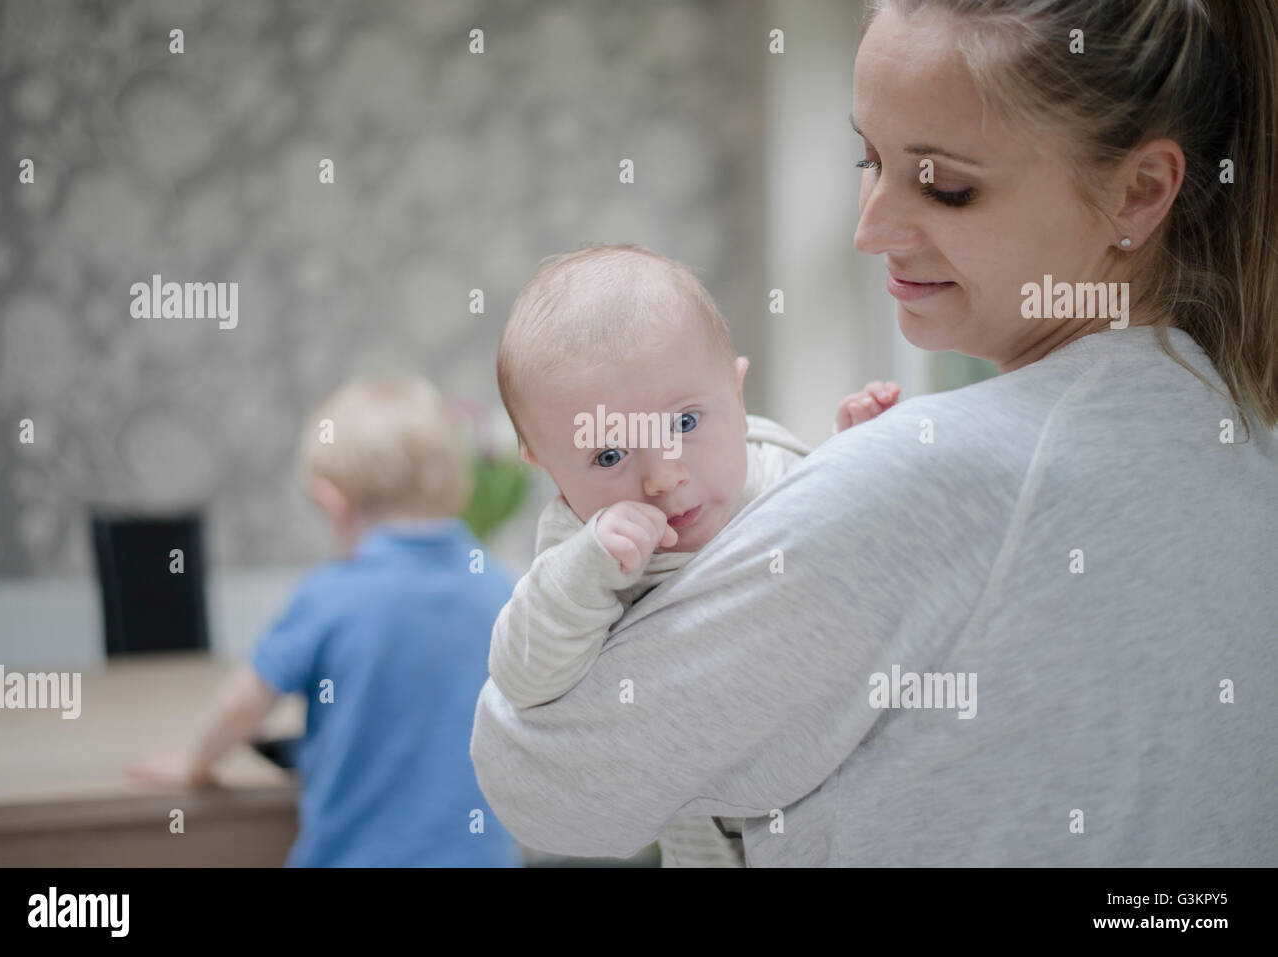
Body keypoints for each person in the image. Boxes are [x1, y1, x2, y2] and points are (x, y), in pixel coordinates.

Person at [470, 0, 1278, 866]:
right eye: (869, 158)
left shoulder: (947, 477)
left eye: (943, 184)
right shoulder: (1241, 436)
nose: (867, 230)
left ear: (1139, 191)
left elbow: (545, 789)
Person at [488, 242, 899, 866]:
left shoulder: (778, 464)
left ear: (736, 391)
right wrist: (587, 573)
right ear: (546, 467)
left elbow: (848, 550)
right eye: (608, 456)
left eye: (683, 423)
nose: (662, 476)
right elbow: (522, 677)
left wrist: (860, 458)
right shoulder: (579, 545)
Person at [132, 377, 522, 867]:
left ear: (333, 501)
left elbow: (243, 701)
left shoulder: (331, 595)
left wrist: (195, 764)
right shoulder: (502, 588)